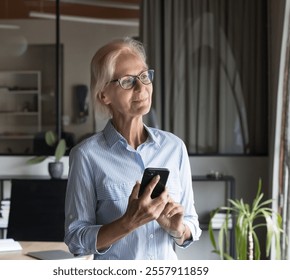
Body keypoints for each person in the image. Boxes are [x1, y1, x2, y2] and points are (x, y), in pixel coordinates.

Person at [64, 37, 201, 260]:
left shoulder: (175, 148)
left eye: (145, 76)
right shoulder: (86, 156)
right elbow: (76, 239)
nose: (142, 87)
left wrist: (178, 230)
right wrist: (128, 222)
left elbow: (191, 223)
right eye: (128, 81)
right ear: (103, 95)